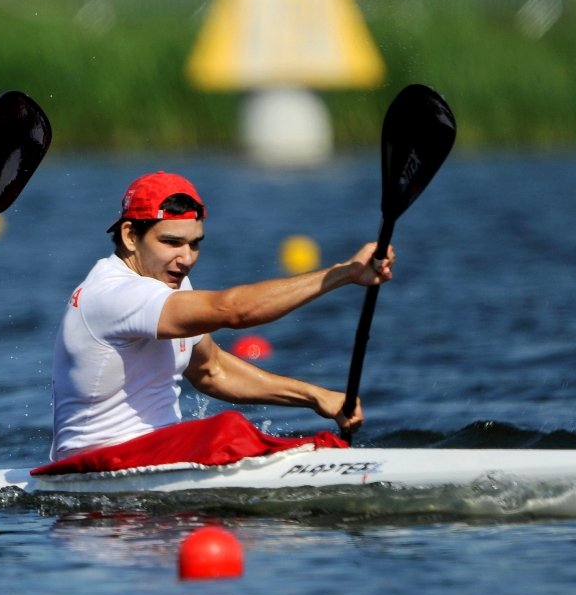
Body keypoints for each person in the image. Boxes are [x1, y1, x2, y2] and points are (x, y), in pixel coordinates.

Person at [47, 170, 393, 463]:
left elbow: (212, 370)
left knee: (229, 432)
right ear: (130, 236)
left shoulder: (168, 283)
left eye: (194, 244)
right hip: (96, 464)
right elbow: (234, 311)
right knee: (226, 429)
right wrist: (342, 274)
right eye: (171, 242)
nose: (186, 259)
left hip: (155, 458)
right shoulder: (113, 294)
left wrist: (316, 396)